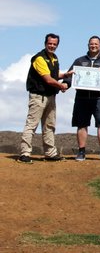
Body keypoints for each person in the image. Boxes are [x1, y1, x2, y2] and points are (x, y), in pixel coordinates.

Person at [64, 35, 100, 161]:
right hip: (82, 97)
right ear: (88, 45)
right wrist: (65, 84)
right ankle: (81, 152)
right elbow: (70, 76)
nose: (93, 46)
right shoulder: (79, 61)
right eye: (91, 44)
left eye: (96, 44)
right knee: (81, 124)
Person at [19, 33, 72, 163]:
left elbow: (52, 75)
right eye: (50, 43)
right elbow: (48, 79)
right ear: (45, 43)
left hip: (50, 96)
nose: (52, 46)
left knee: (50, 125)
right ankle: (25, 153)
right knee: (32, 125)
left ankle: (50, 153)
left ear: (57, 45)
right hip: (38, 96)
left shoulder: (54, 58)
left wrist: (65, 74)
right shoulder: (39, 58)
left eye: (54, 44)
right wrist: (61, 85)